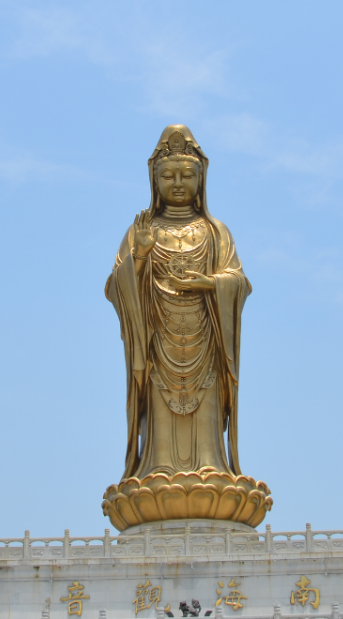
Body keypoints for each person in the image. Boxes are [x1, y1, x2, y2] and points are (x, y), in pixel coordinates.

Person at [107, 125, 251, 479]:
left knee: (206, 418)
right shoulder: (142, 229)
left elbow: (239, 282)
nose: (177, 183)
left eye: (187, 175)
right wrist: (141, 254)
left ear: (200, 180)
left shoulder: (216, 232)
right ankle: (155, 468)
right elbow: (116, 286)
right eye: (168, 176)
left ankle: (212, 467)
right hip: (157, 343)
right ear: (154, 181)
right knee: (159, 415)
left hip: (206, 341)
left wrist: (211, 283)